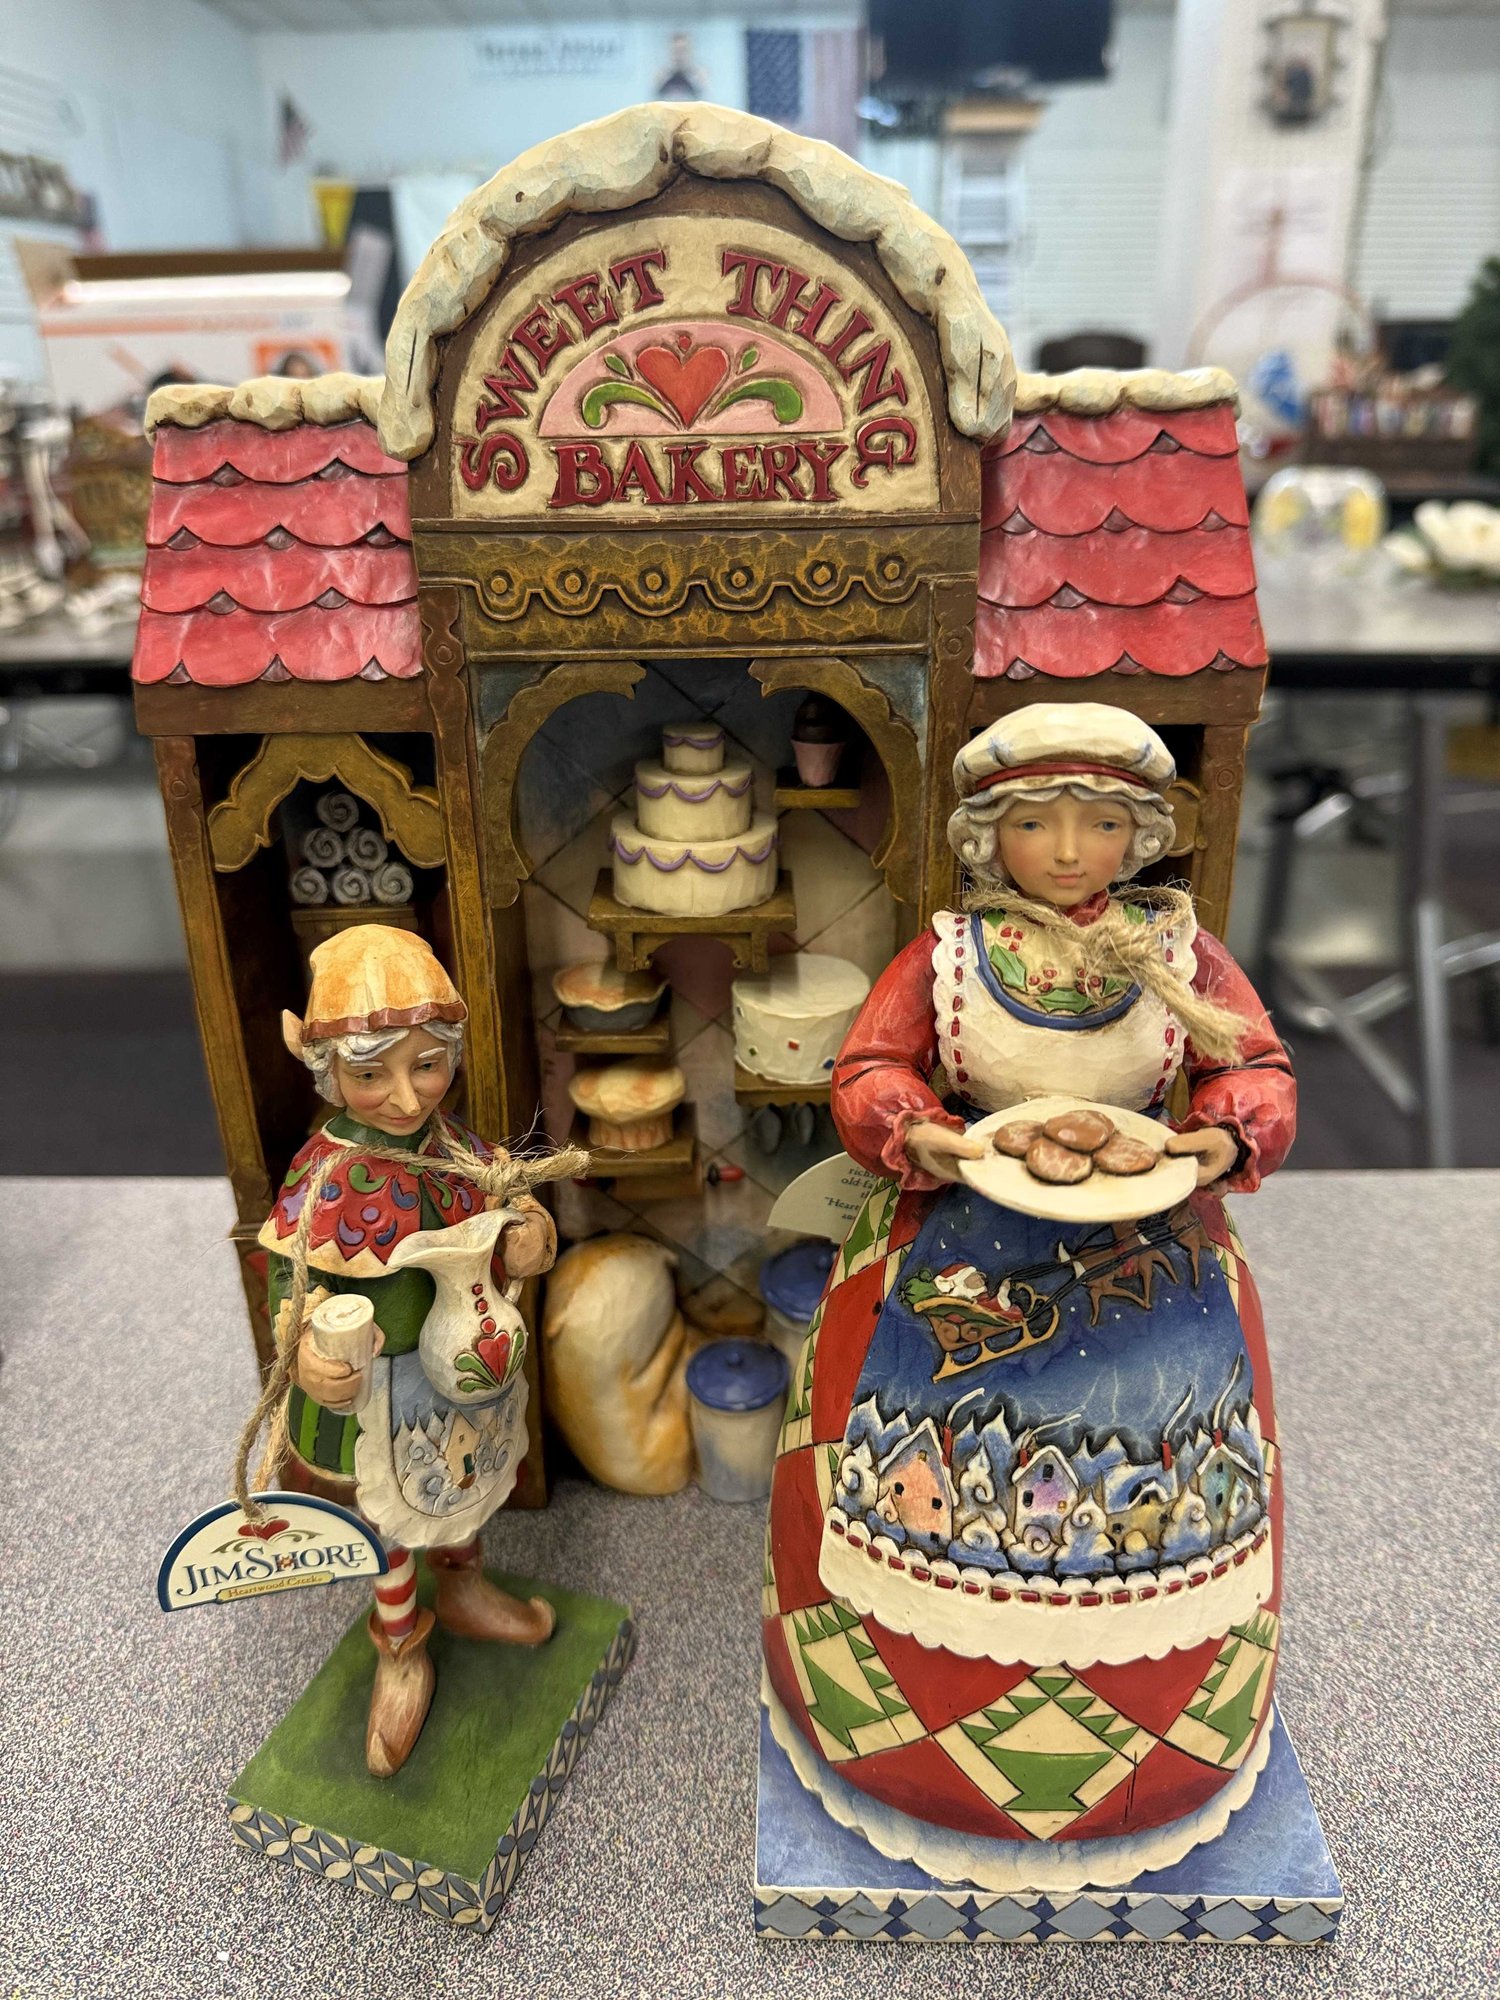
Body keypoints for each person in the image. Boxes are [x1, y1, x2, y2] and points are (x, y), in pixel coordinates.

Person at [762, 703, 1296, 1887]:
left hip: (1153, 1245)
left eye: (1098, 824)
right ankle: (893, 1724)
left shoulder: (1177, 950)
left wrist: (1222, 1134)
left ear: (1138, 835)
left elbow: (1253, 1061)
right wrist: (918, 1130)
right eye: (1037, 822)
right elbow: (869, 1066)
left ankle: (1164, 1740)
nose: (1066, 850)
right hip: (960, 1232)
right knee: (900, 1427)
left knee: (1174, 1437)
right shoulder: (953, 956)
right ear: (989, 834)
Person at [258, 925, 565, 1778]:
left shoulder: (461, 1150)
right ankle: (400, 1647)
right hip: (379, 1388)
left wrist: (527, 1240)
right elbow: (288, 1280)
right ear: (328, 1073)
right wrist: (305, 1350)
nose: (404, 1097)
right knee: (389, 1522)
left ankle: (463, 1588)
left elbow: (512, 1222)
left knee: (466, 1482)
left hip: (464, 1371)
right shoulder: (324, 1173)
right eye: (371, 1076)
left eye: (426, 1065)